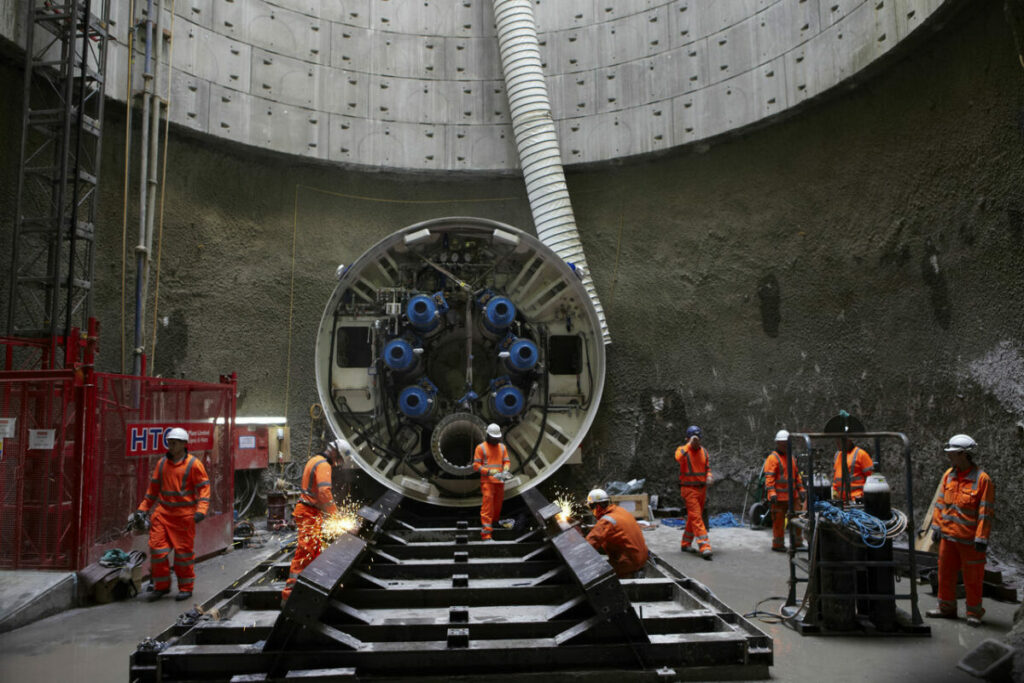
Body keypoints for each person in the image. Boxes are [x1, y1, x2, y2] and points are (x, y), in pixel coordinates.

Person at [131, 427, 210, 602]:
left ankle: (186, 588)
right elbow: (152, 491)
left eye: (174, 443)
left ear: (184, 444)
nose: (171, 446)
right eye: (169, 443)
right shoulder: (162, 464)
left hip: (184, 517)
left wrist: (201, 511)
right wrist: (142, 509)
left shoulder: (194, 464)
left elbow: (204, 489)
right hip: (163, 515)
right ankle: (161, 586)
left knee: (183, 555)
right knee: (157, 551)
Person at [927, 434, 993, 627]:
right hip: (948, 537)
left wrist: (981, 537)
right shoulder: (949, 475)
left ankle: (974, 612)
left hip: (970, 541)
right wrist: (937, 526)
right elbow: (940, 503)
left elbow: (985, 512)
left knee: (973, 578)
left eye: (953, 453)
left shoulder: (982, 480)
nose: (949, 456)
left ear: (964, 454)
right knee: (945, 575)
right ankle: (946, 608)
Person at [281, 438, 352, 603]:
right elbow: (324, 493)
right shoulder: (324, 465)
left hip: (309, 512)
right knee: (305, 553)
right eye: (339, 460)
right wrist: (337, 517)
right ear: (334, 453)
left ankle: (308, 590)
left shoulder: (314, 460)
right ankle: (289, 597)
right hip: (308, 513)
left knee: (314, 552)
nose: (337, 464)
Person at [585, 488, 649, 577]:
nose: (592, 511)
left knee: (592, 574)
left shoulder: (606, 521)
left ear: (598, 507)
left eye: (591, 508)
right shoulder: (620, 511)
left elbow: (589, 545)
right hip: (642, 558)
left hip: (629, 564)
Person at [763, 429, 806, 552]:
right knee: (778, 522)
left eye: (786, 443)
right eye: (782, 443)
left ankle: (797, 542)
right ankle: (778, 544)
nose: (785, 445)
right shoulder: (772, 458)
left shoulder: (791, 458)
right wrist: (772, 493)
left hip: (793, 496)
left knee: (798, 520)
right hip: (779, 498)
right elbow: (769, 478)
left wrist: (801, 489)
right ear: (777, 443)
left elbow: (796, 476)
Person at [675, 425, 713, 559]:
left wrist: (709, 476)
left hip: (702, 489)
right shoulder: (683, 450)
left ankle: (685, 543)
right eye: (693, 438)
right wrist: (689, 444)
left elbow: (707, 468)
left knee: (693, 517)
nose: (697, 441)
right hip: (689, 490)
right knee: (697, 518)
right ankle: (705, 546)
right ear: (687, 439)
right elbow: (678, 458)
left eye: (698, 439)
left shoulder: (704, 452)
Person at [473, 423, 510, 540]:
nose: (495, 440)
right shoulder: (481, 448)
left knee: (497, 506)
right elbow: (476, 466)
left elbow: (506, 461)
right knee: (487, 507)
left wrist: (506, 468)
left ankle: (494, 523)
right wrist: (488, 471)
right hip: (487, 482)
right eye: (494, 438)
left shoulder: (502, 448)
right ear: (488, 436)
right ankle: (486, 534)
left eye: (497, 438)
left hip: (500, 481)